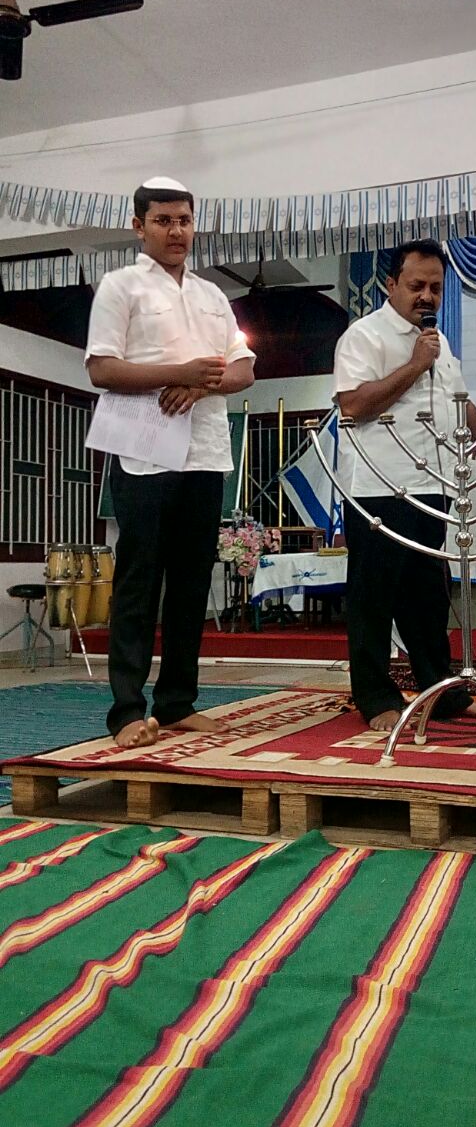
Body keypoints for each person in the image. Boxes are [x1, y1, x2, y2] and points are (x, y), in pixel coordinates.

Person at [333, 238, 476, 732]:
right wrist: (414, 365)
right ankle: (375, 698)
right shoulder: (364, 336)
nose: (427, 296)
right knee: (374, 599)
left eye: (436, 288)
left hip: (433, 486)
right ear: (391, 284)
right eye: (416, 285)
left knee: (427, 599)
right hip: (379, 487)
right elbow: (353, 405)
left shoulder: (438, 344)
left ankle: (442, 693)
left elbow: (460, 404)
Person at [85, 176, 255, 748]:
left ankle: (178, 701)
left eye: (184, 220)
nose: (176, 230)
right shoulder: (121, 286)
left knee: (190, 582)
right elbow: (102, 369)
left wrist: (201, 386)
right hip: (144, 451)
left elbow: (243, 370)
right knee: (140, 580)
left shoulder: (211, 295)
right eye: (163, 220)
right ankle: (127, 711)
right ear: (139, 226)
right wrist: (178, 373)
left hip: (205, 452)